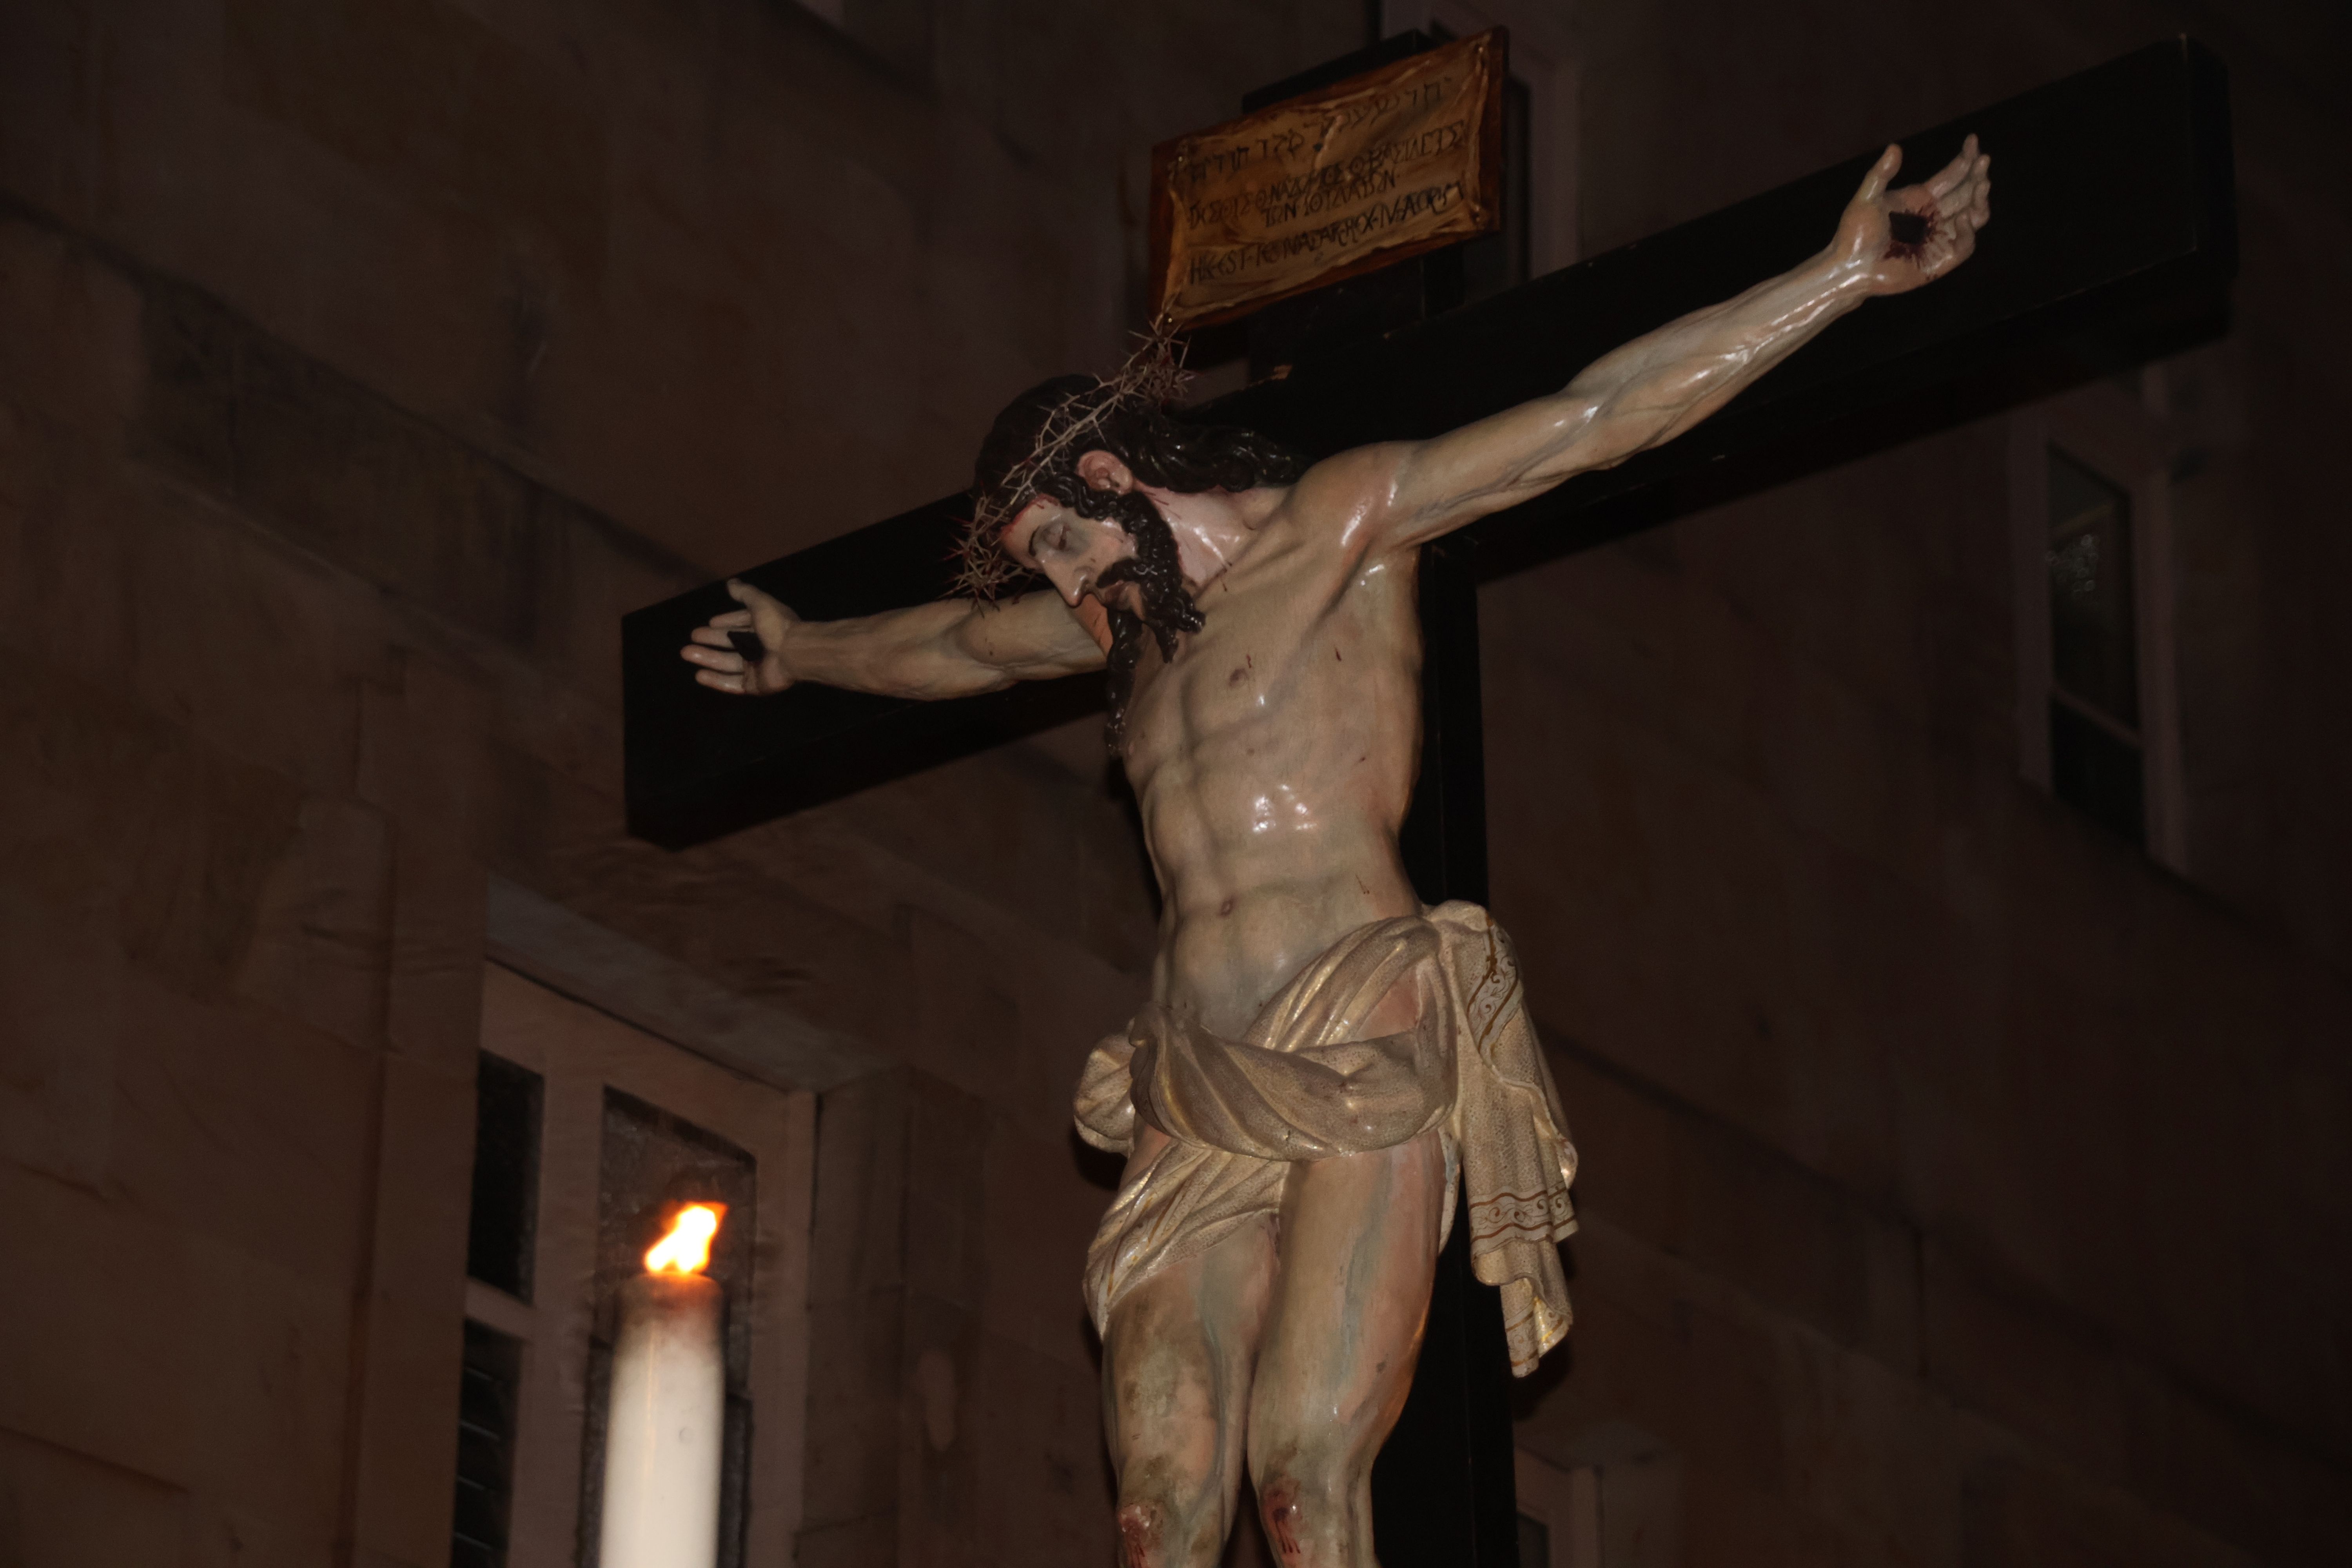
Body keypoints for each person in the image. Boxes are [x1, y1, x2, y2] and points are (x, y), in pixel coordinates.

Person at [682, 139, 1991, 1568]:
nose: (1064, 583)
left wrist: (1840, 277)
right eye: (1044, 561)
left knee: (1303, 1480)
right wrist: (801, 652)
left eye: (1062, 538)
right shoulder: (1121, 634)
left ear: (1115, 470)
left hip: (1356, 1016)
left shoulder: (1341, 527)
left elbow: (1593, 417)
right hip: (1194, 1064)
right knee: (1157, 1514)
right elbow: (952, 650)